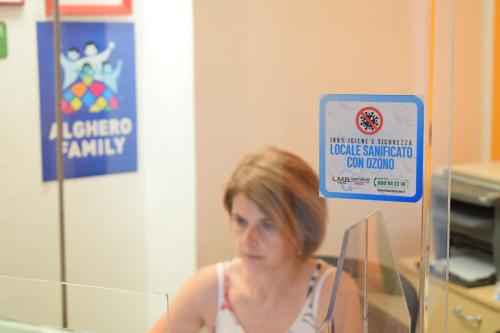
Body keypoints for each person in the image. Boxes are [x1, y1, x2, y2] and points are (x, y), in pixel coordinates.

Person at [150, 147, 362, 333]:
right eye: (240, 221)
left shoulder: (335, 291)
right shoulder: (209, 287)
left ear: (303, 226)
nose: (248, 239)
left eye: (267, 225)